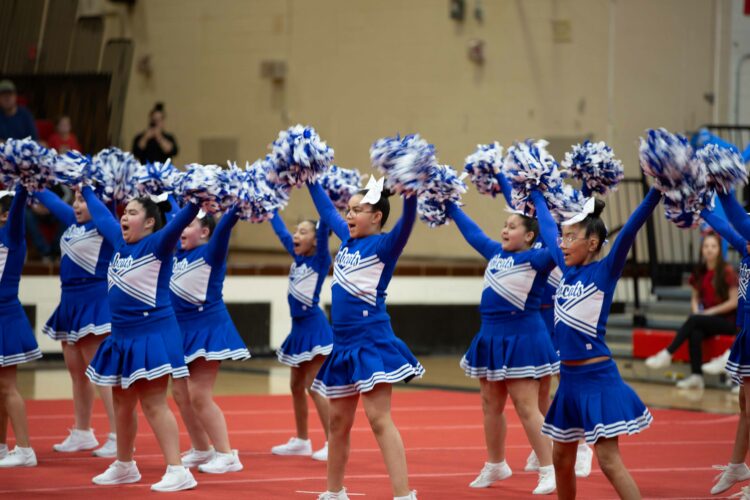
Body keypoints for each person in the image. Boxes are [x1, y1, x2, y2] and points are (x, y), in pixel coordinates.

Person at [531, 186, 661, 499]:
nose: (562, 244)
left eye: (570, 237)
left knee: (608, 460)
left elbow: (629, 229)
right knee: (561, 459)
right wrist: (534, 192)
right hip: (570, 382)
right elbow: (547, 228)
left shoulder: (604, 271)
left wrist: (656, 190)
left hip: (598, 380)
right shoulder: (566, 272)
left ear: (592, 243)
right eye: (563, 238)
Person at [307, 179, 422, 500]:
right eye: (349, 209)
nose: (349, 215)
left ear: (376, 217)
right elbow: (327, 209)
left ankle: (404, 494)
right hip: (342, 345)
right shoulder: (346, 240)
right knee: (338, 422)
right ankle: (334, 491)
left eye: (358, 210)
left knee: (378, 419)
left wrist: (410, 194)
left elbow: (407, 222)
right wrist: (310, 176)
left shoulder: (384, 246)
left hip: (372, 341)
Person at [82, 186, 200, 492]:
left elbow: (177, 222)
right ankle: (125, 465)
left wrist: (197, 199)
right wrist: (84, 187)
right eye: (125, 212)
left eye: (133, 212)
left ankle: (178, 469)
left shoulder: (158, 245)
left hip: (152, 334)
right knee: (122, 402)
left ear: (149, 222)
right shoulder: (120, 243)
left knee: (153, 403)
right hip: (122, 336)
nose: (124, 217)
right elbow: (101, 214)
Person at [445, 202, 558, 495]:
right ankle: (497, 463)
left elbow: (554, 237)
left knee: (525, 405)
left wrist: (539, 200)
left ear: (530, 236)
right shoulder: (495, 252)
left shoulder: (539, 259)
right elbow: (473, 233)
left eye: (511, 227)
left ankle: (549, 468)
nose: (504, 230)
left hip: (523, 337)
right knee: (490, 403)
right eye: (505, 226)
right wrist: (450, 205)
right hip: (491, 336)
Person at [35, 188, 117, 457]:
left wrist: (92, 193)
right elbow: (52, 201)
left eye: (83, 200)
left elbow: (104, 206)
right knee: (76, 370)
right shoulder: (73, 223)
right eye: (77, 200)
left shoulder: (104, 225)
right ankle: (83, 432)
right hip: (69, 300)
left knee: (100, 373)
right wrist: (32, 177)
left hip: (94, 300)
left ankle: (118, 434)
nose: (78, 205)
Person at [170, 206, 250, 473]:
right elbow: (172, 211)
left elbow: (225, 227)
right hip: (180, 331)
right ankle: (201, 448)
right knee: (181, 395)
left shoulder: (211, 252)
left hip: (208, 329)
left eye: (189, 225)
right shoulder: (176, 254)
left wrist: (237, 204)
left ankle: (227, 454)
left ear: (204, 232)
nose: (182, 228)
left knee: (199, 395)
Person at [269, 209, 332, 461]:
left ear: (316, 240)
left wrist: (327, 204)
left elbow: (325, 229)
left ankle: (333, 441)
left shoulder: (320, 259)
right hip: (298, 329)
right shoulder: (297, 256)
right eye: (297, 231)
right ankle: (302, 440)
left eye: (303, 232)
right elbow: (281, 232)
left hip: (314, 328)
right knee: (296, 386)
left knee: (313, 387)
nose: (296, 235)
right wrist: (269, 207)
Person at [645, 232, 738, 389]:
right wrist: (696, 310)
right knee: (695, 332)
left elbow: (734, 302)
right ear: (702, 249)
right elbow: (695, 297)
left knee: (694, 321)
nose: (709, 250)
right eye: (706, 246)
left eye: (713, 246)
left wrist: (707, 313)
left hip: (728, 321)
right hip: (706, 320)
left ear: (719, 250)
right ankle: (696, 376)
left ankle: (668, 353)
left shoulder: (727, 271)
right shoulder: (699, 272)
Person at [0, 187, 42, 468]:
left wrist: (23, 184)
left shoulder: (11, 234)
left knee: (7, 387)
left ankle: (25, 449)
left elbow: (17, 210)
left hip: (5, 317)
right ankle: (2, 446)